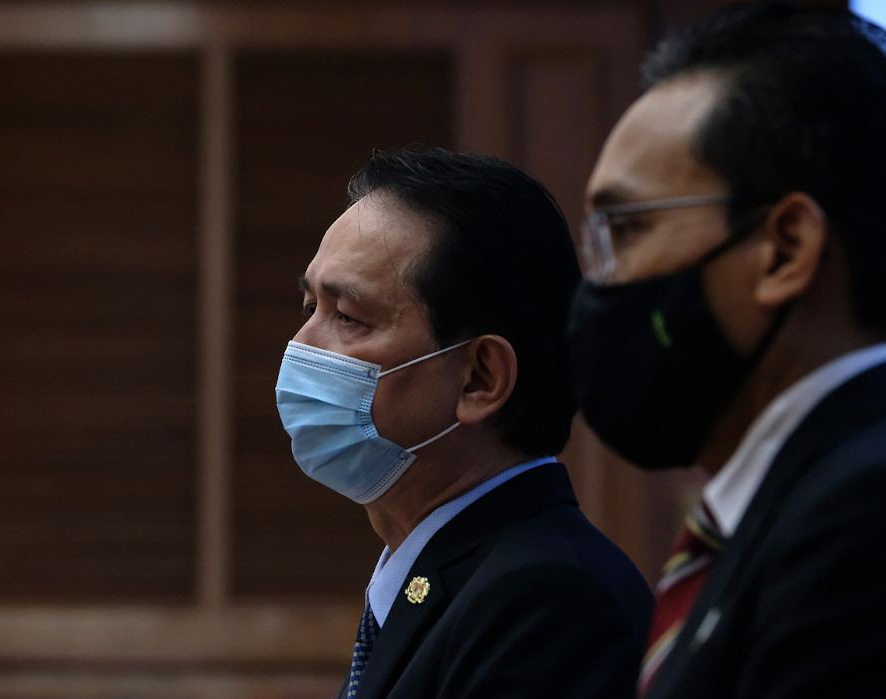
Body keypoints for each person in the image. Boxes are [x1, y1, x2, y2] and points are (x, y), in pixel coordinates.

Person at [566, 3, 886, 698]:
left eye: (626, 230)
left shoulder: (860, 513)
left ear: (786, 248)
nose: (599, 283)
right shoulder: (781, 505)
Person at [275, 146, 652, 698]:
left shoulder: (549, 601)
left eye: (348, 317)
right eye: (310, 309)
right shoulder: (438, 576)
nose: (300, 345)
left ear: (479, 379)